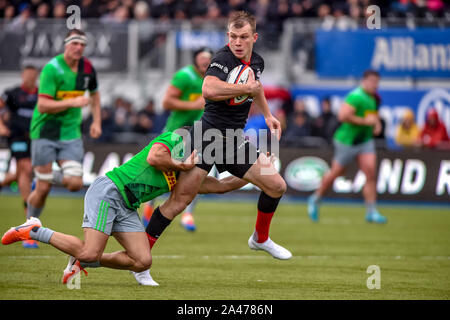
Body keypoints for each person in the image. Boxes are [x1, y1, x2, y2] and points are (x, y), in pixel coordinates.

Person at [2, 130, 247, 286]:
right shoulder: (176, 139)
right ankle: (34, 229)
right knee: (90, 251)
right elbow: (154, 158)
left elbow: (223, 186)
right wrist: (181, 165)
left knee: (142, 261)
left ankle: (83, 260)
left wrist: (255, 174)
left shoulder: (193, 174)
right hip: (109, 191)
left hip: (128, 206)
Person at [143, 11, 292, 262]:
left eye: (243, 37)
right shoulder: (221, 59)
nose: (237, 42)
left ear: (254, 37)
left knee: (276, 185)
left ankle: (260, 238)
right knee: (179, 201)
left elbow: (256, 88)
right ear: (227, 36)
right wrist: (246, 88)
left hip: (235, 140)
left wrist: (267, 115)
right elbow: (208, 88)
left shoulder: (257, 62)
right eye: (233, 36)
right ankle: (140, 256)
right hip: (207, 137)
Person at [26, 29, 102, 249]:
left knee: (74, 183)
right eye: (74, 43)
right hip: (45, 133)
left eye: (82, 44)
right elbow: (43, 105)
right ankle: (29, 228)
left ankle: (44, 177)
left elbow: (95, 95)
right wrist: (73, 102)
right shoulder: (52, 68)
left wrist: (96, 122)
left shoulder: (87, 68)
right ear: (66, 45)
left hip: (70, 133)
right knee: (42, 190)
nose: (79, 47)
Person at [142, 47, 214, 232]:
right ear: (195, 60)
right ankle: (149, 207)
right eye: (202, 58)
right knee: (161, 170)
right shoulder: (184, 76)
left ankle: (188, 214)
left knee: (199, 173)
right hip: (175, 133)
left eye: (208, 58)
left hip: (198, 134)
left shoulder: (213, 78)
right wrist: (193, 105)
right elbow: (166, 103)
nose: (205, 62)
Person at [307, 70, 387, 224]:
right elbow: (343, 116)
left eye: (376, 82)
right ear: (364, 81)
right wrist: (367, 122)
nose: (375, 85)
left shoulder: (373, 98)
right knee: (336, 172)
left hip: (364, 141)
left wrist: (375, 124)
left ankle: (371, 212)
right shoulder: (356, 96)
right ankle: (316, 198)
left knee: (370, 173)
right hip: (347, 141)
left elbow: (370, 115)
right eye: (372, 81)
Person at [0, 65, 38, 248]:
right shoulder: (13, 94)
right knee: (26, 168)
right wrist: (1, 126)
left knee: (25, 172)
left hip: (36, 139)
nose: (30, 78)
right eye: (27, 74)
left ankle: (2, 183)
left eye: (33, 75)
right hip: (16, 137)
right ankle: (28, 221)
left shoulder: (41, 95)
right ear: (23, 75)